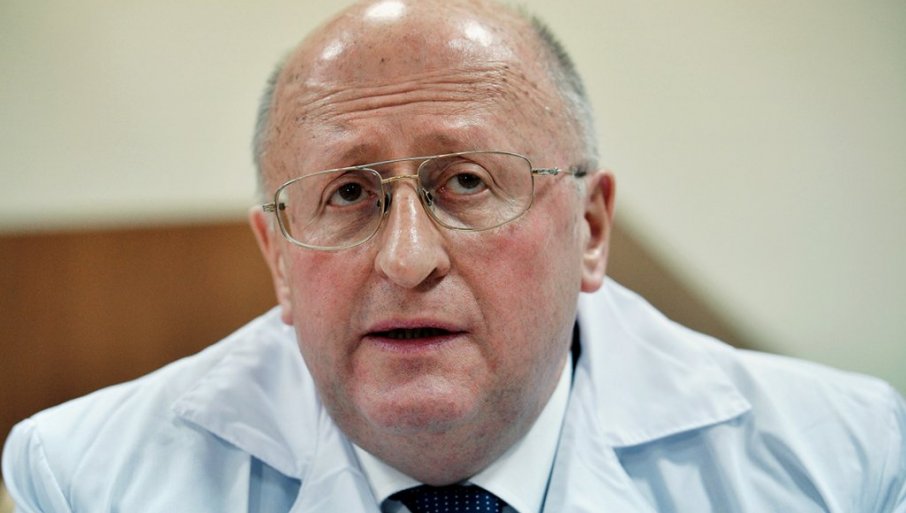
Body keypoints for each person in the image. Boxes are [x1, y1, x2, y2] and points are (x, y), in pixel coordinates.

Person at [3, 0, 904, 511]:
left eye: (467, 182)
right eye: (347, 194)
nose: (406, 259)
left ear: (590, 229)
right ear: (277, 259)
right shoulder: (84, 480)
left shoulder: (843, 461)